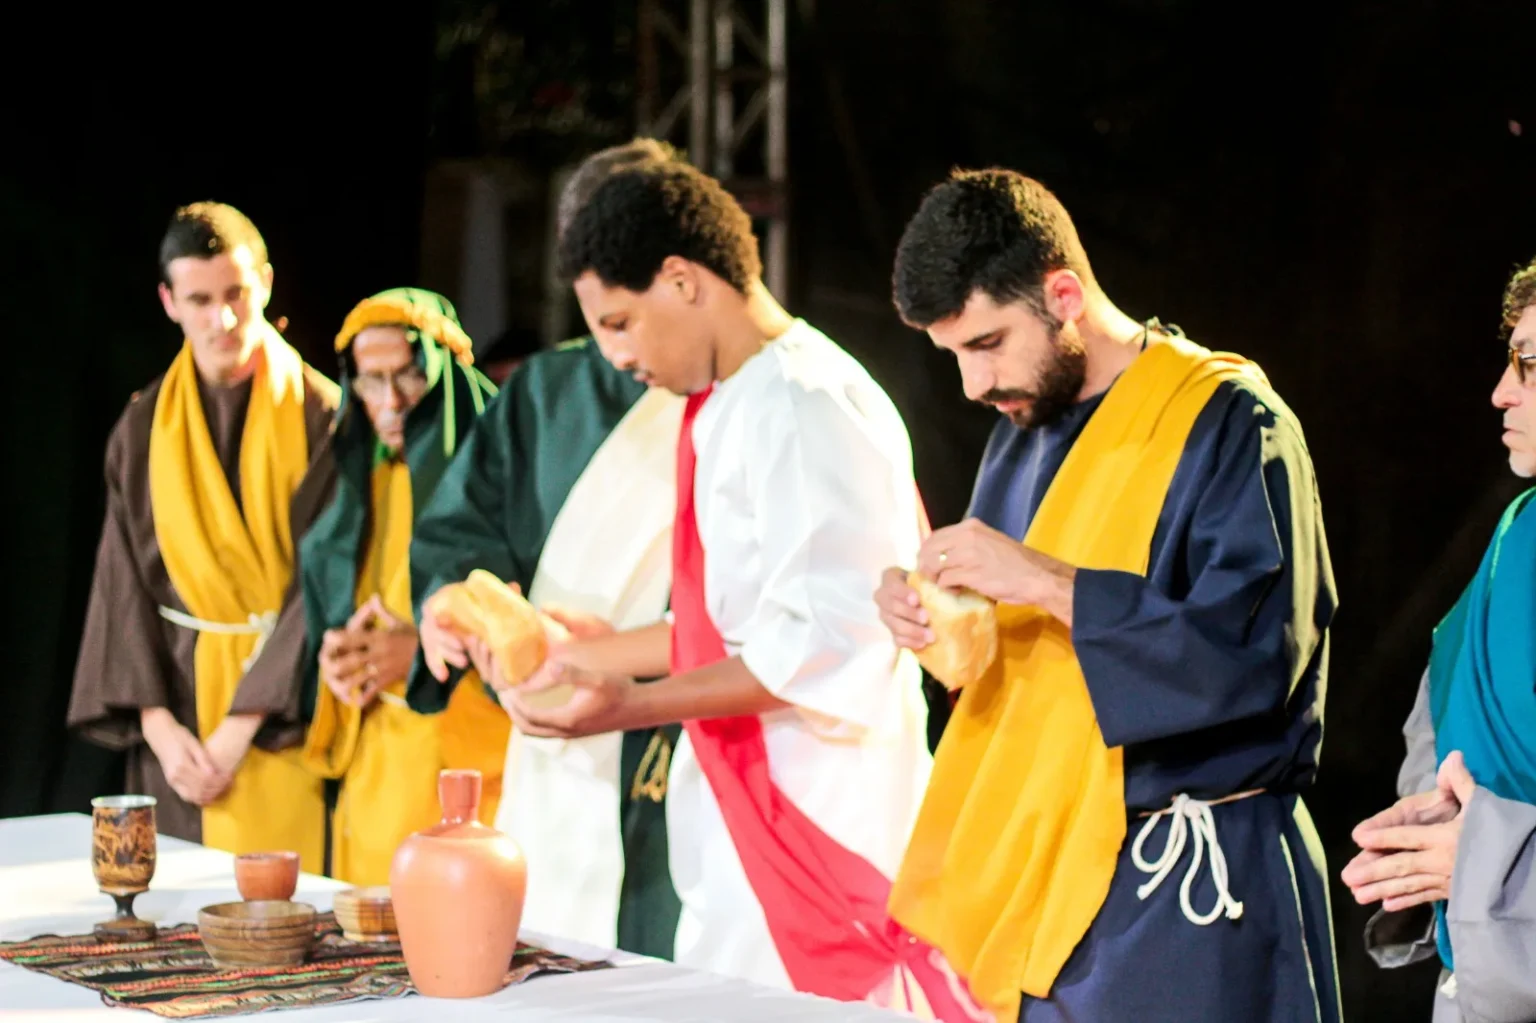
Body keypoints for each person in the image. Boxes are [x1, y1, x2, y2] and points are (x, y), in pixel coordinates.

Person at [491, 153, 966, 1017]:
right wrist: (587, 649)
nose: (617, 356)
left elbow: (821, 649)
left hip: (819, 816)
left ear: (683, 279)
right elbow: (727, 627)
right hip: (741, 807)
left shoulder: (803, 402)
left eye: (622, 323)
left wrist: (626, 705)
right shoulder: (731, 400)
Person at [874, 169, 1341, 1023]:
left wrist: (1049, 582)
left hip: (1187, 889)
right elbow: (1010, 660)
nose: (975, 386)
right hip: (1039, 883)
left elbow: (1256, 659)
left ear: (1063, 295)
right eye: (955, 358)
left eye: (987, 344)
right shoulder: (1023, 430)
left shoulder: (1234, 420)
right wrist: (931, 616)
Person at [412, 137, 689, 957]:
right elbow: (459, 530)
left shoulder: (746, 393)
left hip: (683, 725)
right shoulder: (545, 390)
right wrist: (444, 608)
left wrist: (630, 659)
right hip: (547, 724)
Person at [68, 202, 338, 871]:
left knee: (289, 916)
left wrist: (240, 727)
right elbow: (120, 588)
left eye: (236, 294)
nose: (221, 320)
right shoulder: (141, 426)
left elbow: (325, 583)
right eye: (199, 299)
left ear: (266, 283)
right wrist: (160, 729)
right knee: (176, 920)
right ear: (168, 300)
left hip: (285, 719)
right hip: (178, 723)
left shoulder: (323, 415)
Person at [1344, 255, 1536, 1023]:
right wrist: (1425, 828)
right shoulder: (1513, 539)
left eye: (1531, 363)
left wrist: (1492, 860)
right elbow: (1449, 737)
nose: (1501, 390)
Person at [295, 287, 507, 885]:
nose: (390, 402)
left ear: (443, 374)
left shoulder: (498, 479)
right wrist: (337, 662)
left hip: (464, 758)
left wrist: (423, 652)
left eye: (408, 377)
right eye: (369, 381)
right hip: (375, 757)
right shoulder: (365, 480)